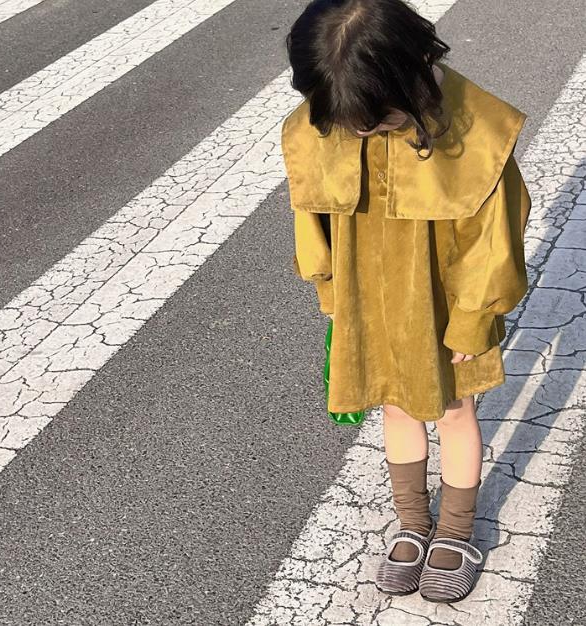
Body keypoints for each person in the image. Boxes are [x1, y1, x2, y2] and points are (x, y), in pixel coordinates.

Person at [281, 0, 531, 604]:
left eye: (375, 120)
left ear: (411, 71)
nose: (361, 131)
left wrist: (473, 320)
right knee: (394, 406)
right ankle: (414, 521)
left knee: (454, 410)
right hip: (368, 295)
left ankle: (457, 530)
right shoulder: (332, 114)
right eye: (350, 122)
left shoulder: (476, 127)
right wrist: (330, 291)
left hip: (446, 301)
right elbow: (310, 213)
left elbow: (495, 237)